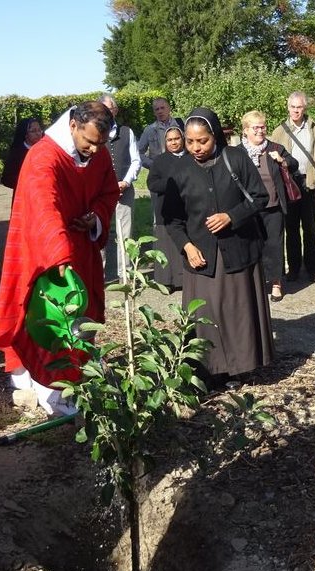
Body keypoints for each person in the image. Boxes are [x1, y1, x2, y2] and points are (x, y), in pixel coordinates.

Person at [0, 101, 120, 414]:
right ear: (73, 126)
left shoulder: (98, 150)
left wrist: (96, 218)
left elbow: (108, 191)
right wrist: (59, 257)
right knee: (48, 320)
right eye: (88, 141)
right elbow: (43, 209)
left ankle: (79, 377)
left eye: (100, 143)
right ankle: (54, 393)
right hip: (44, 253)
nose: (93, 150)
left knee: (81, 319)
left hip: (81, 249)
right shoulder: (43, 157)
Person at [163, 107, 274, 386]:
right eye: (190, 142)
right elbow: (172, 219)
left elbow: (260, 197)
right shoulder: (180, 171)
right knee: (205, 314)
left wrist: (231, 216)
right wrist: (187, 247)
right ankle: (208, 372)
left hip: (237, 251)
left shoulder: (235, 158)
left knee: (237, 310)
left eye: (203, 141)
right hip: (201, 257)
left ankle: (240, 367)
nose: (196, 148)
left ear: (215, 137)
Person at [272, 91, 315, 283]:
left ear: (304, 108)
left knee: (310, 228)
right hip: (289, 184)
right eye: (292, 107)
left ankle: (312, 267)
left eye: (299, 107)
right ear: (288, 107)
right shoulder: (279, 131)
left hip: (309, 183)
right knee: (291, 229)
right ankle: (294, 268)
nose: (295, 111)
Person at [237, 110, 298, 302]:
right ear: (245, 130)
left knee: (274, 245)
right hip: (249, 209)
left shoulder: (275, 148)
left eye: (263, 127)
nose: (261, 131)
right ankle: (255, 283)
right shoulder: (238, 152)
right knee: (252, 245)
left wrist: (282, 161)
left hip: (273, 207)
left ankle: (276, 283)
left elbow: (294, 163)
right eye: (256, 127)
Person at [98, 94, 141, 283]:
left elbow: (136, 160)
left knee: (125, 234)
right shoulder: (95, 131)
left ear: (115, 110)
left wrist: (126, 181)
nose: (107, 112)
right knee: (99, 233)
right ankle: (98, 276)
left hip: (124, 189)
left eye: (110, 108)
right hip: (100, 193)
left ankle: (125, 275)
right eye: (103, 109)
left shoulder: (127, 132)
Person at [146, 125, 186, 291]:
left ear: (182, 139)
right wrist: (170, 184)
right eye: (170, 140)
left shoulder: (190, 158)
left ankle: (184, 281)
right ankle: (166, 282)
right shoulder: (160, 160)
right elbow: (152, 183)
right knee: (166, 246)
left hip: (187, 210)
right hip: (166, 209)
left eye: (176, 139)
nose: (173, 142)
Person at [137, 97, 184, 169]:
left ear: (169, 108)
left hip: (181, 167)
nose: (160, 111)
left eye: (162, 108)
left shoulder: (180, 125)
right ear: (154, 112)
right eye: (157, 109)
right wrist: (152, 165)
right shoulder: (149, 130)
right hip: (160, 172)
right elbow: (139, 153)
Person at [1, 118, 43, 196]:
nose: (38, 133)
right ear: (25, 134)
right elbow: (6, 179)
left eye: (39, 130)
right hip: (24, 196)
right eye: (33, 131)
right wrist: (29, 182)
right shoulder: (17, 153)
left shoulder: (46, 150)